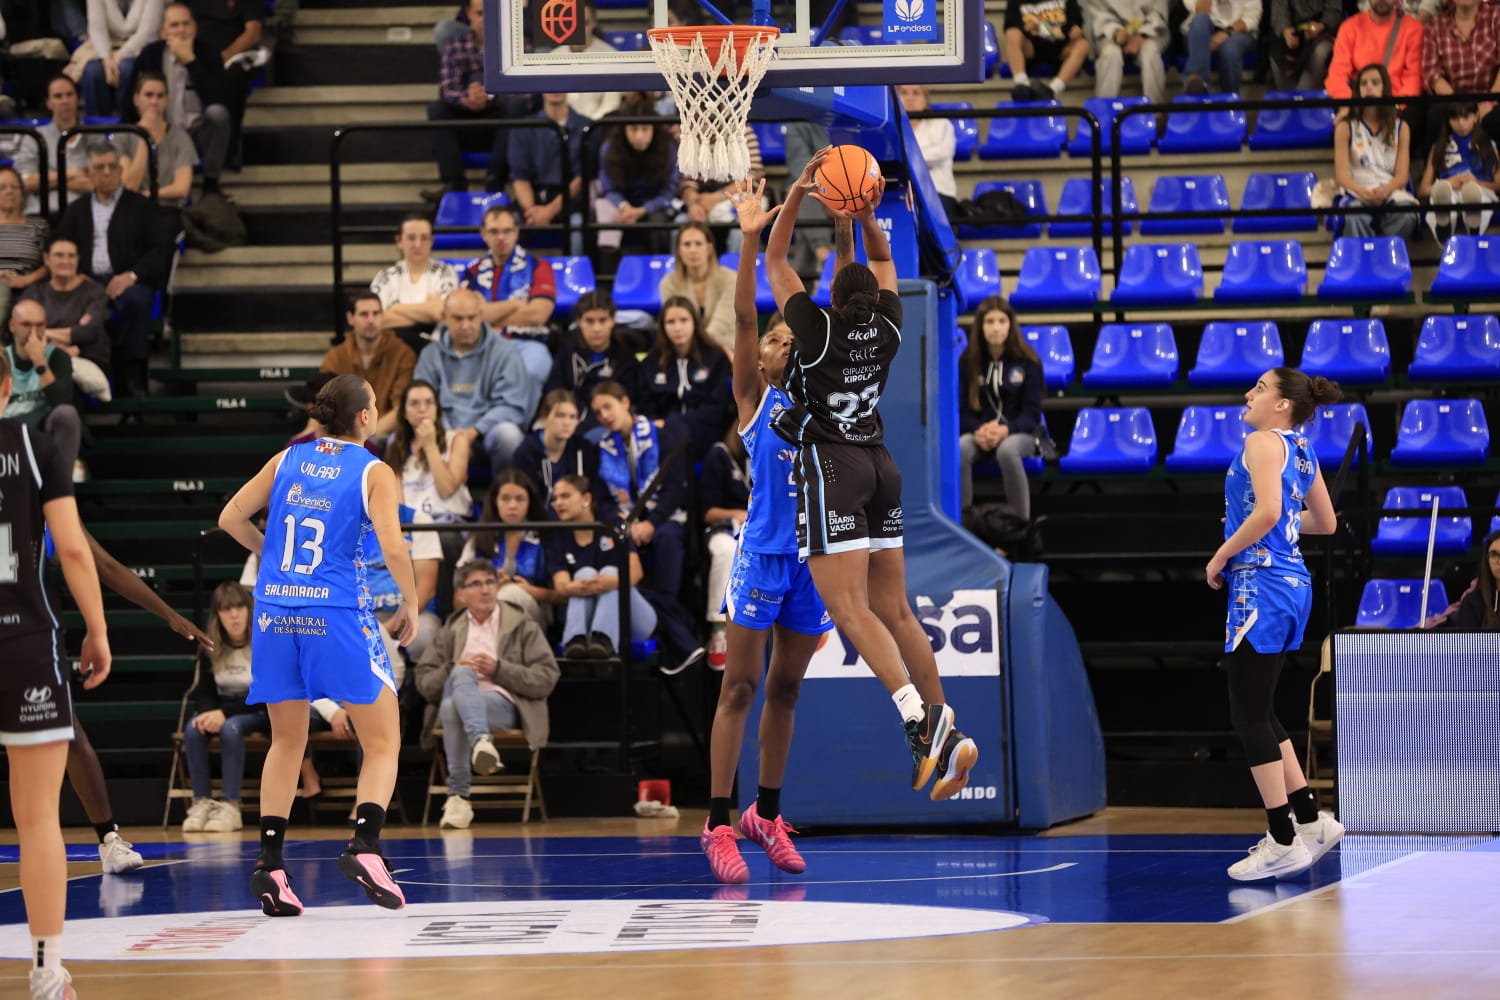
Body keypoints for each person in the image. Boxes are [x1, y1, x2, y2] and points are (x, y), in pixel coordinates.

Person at [761, 150, 979, 801]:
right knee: (895, 608)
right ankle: (943, 726)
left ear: (830, 297)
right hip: (882, 465)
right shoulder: (888, 325)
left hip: (835, 467)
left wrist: (799, 192)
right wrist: (863, 216)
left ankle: (919, 725)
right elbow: (882, 263)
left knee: (850, 610)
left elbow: (774, 263)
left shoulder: (816, 333)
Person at [218, 373, 420, 915]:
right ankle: (365, 846)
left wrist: (268, 555)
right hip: (335, 611)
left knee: (287, 741)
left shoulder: (289, 459)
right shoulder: (374, 470)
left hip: (276, 611)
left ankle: (271, 865)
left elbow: (229, 517)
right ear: (364, 418)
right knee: (382, 739)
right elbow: (393, 545)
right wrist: (412, 601)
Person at [697, 183, 839, 885]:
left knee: (786, 691)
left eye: (794, 337)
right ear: (762, 359)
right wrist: (753, 235)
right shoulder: (756, 400)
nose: (786, 341)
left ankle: (767, 813)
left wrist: (843, 219)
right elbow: (746, 320)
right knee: (740, 688)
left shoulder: (828, 400)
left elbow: (835, 312)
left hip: (813, 562)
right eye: (777, 339)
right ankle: (719, 822)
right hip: (762, 556)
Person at [0, 348, 111, 1000]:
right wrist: (97, 630)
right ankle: (45, 972)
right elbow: (71, 547)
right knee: (38, 814)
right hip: (23, 640)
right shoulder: (33, 444)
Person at [1205, 367, 1345, 881]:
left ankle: (1282, 838)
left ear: (1282, 404)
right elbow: (1323, 522)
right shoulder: (1302, 448)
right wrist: (1271, 521)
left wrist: (1221, 553)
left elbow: (1266, 513)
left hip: (1260, 585)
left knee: (1247, 715)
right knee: (1263, 710)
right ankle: (1310, 820)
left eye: (1260, 388)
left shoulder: (1261, 441)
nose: (1249, 394)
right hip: (1292, 586)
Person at [415, 559, 559, 829]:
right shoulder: (450, 629)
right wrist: (451, 668)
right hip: (456, 704)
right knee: (455, 690)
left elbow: (547, 677)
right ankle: (480, 740)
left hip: (504, 705)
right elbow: (424, 682)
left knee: (451, 707)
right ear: (461, 594)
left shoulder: (522, 624)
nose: (485, 590)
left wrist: (499, 669)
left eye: (490, 582)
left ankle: (459, 796)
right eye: (476, 584)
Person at [58, 141, 175, 398]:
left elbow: (159, 252)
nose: (107, 172)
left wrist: (131, 276)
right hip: (85, 281)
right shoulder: (76, 210)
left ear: (122, 171)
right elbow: (62, 245)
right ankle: (77, 383)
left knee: (136, 302)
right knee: (70, 305)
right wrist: (78, 277)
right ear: (89, 173)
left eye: (113, 166)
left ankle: (132, 377)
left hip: (129, 280)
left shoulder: (142, 207)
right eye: (100, 167)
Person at [412, 288, 537, 473]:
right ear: (444, 318)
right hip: (442, 433)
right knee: (400, 440)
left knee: (509, 436)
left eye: (471, 318)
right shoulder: (430, 355)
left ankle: (502, 496)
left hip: (486, 434)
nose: (465, 325)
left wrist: (474, 432)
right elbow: (421, 403)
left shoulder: (505, 353)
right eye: (458, 318)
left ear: (481, 316)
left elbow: (512, 405)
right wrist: (450, 436)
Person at [423, 0, 532, 202]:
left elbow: (527, 92)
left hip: (501, 126)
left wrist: (490, 96)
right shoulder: (456, 46)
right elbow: (446, 89)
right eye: (480, 14)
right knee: (437, 109)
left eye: (491, 14)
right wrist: (467, 98)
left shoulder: (518, 45)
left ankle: (495, 180)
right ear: (469, 15)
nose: (485, 20)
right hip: (467, 123)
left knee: (517, 105)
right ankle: (453, 184)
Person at [180, 581, 267, 834]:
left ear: (249, 610)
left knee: (231, 728)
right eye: (226, 609)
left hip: (259, 710)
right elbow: (203, 691)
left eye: (239, 607)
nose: (234, 615)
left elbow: (265, 693)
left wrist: (224, 714)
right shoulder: (209, 646)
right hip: (224, 707)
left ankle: (230, 805)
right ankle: (201, 802)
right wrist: (208, 713)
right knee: (193, 728)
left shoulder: (263, 642)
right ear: (217, 615)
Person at [547, 474, 658, 660]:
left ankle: (602, 640)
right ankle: (576, 642)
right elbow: (561, 584)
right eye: (555, 499)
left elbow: (636, 572)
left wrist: (608, 582)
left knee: (612, 572)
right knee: (584, 573)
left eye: (565, 496)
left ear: (586, 499)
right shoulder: (558, 536)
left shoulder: (612, 525)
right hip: (586, 622)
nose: (559, 503)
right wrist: (573, 587)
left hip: (635, 617)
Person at [131, 3, 232, 197]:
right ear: (163, 31)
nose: (181, 30)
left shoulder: (209, 54)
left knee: (218, 114)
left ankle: (211, 182)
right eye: (174, 25)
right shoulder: (150, 55)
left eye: (186, 24)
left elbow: (217, 99)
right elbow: (133, 96)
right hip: (159, 128)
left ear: (195, 27)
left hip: (197, 132)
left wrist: (190, 62)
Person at [957, 296, 1045, 516]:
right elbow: (961, 411)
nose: (996, 328)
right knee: (961, 447)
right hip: (981, 433)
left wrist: (1006, 430)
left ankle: (1019, 525)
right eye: (989, 321)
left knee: (1007, 450)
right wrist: (980, 431)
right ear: (980, 326)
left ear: (1010, 324)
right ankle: (964, 521)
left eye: (1002, 321)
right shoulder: (968, 362)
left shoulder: (1029, 361)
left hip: (1020, 433)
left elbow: (1032, 415)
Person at [458, 203, 557, 385]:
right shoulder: (472, 272)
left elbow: (538, 314)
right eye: (494, 232)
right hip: (481, 345)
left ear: (516, 232)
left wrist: (487, 312)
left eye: (507, 231)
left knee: (531, 370)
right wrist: (516, 304)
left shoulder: (539, 266)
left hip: (528, 343)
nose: (501, 237)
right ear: (484, 234)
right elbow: (466, 318)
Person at [458, 470, 561, 629]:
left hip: (534, 614)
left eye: (520, 499)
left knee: (510, 594)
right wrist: (488, 587)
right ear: (495, 501)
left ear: (529, 502)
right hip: (483, 608)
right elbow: (458, 599)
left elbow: (562, 597)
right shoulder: (478, 538)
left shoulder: (546, 536)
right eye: (505, 499)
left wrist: (529, 590)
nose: (512, 505)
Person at [635, 295, 732, 461]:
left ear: (694, 322)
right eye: (671, 322)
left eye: (684, 320)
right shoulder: (650, 363)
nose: (678, 328)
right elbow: (645, 406)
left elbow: (717, 408)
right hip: (660, 433)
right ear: (662, 326)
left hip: (704, 430)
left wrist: (675, 422)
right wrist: (657, 424)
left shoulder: (716, 359)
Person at [307, 292, 416, 439]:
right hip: (343, 435)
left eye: (376, 313)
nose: (371, 320)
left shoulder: (403, 354)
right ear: (350, 318)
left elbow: (400, 408)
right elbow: (324, 404)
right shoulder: (336, 357)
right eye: (364, 314)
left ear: (383, 317)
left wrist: (367, 435)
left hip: (386, 435)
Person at [1333, 63, 1420, 240]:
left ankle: (1383, 256)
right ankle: (1365, 260)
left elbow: (1402, 175)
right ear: (1358, 90)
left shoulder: (1401, 127)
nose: (1369, 87)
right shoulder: (1344, 127)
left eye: (1375, 82)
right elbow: (1342, 175)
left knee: (1408, 214)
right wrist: (1363, 192)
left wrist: (1385, 191)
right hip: (1356, 190)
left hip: (1390, 189)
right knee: (1354, 214)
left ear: (1384, 88)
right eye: (1363, 83)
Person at [543, 291, 643, 437]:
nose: (596, 329)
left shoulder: (625, 358)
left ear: (613, 321)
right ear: (579, 322)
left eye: (603, 320)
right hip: (570, 423)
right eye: (589, 321)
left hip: (608, 426)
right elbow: (554, 393)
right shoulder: (566, 354)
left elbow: (628, 402)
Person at [25, 237, 112, 404]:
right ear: (46, 259)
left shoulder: (94, 292)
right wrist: (71, 336)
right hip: (43, 357)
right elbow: (24, 330)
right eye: (59, 255)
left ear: (78, 259)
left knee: (64, 382)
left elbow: (89, 331)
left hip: (87, 358)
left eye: (71, 256)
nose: (66, 261)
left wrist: (43, 332)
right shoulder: (35, 293)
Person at [4, 301, 84, 481]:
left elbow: (62, 400)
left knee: (67, 414)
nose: (33, 331)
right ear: (12, 326)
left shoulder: (58, 357)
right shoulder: (3, 359)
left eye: (39, 325)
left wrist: (40, 363)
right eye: (26, 324)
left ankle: (61, 488)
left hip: (43, 427)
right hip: (8, 428)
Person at [593, 96, 679, 261]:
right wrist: (624, 206)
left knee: (657, 223)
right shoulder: (609, 148)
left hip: (654, 204)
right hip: (620, 204)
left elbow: (669, 191)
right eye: (633, 129)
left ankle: (659, 272)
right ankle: (608, 280)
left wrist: (643, 210)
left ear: (654, 129)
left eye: (645, 129)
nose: (639, 136)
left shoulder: (668, 149)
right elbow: (608, 188)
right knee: (604, 220)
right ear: (624, 129)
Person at [509, 91, 590, 255]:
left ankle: (575, 278)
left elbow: (580, 179)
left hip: (570, 202)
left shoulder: (586, 127)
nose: (555, 90)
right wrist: (532, 210)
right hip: (533, 201)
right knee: (505, 226)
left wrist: (549, 211)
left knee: (577, 226)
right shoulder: (523, 128)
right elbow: (520, 178)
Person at [370, 214, 460, 352]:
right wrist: (427, 318)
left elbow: (442, 312)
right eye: (411, 238)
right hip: (391, 352)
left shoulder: (445, 273)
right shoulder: (385, 277)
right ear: (399, 241)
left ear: (431, 241)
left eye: (424, 238)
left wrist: (396, 308)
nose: (418, 244)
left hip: (434, 351)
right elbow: (375, 320)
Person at [511, 387, 611, 508]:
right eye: (560, 416)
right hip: (542, 523)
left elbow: (596, 493)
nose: (567, 423)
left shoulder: (584, 449)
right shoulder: (526, 453)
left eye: (572, 417)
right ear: (544, 418)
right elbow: (530, 503)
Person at [15, 74, 93, 218]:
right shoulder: (35, 138)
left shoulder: (94, 135)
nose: (65, 101)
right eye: (58, 96)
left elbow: (99, 183)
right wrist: (71, 174)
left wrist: (49, 181)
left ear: (77, 99)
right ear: (48, 103)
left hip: (87, 215)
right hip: (43, 215)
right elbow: (26, 182)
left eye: (69, 95)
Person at [1418, 103, 1498, 242]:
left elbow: (1498, 185)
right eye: (1455, 118)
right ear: (1448, 121)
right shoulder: (1438, 147)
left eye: (1466, 117)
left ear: (1476, 116)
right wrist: (1449, 183)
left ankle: (1474, 224)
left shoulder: (1489, 145)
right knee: (1443, 192)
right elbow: (1423, 190)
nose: (1461, 123)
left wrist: (1476, 183)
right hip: (1450, 190)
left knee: (1473, 193)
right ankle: (1443, 224)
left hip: (1481, 189)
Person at [117, 71, 197, 207]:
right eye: (149, 95)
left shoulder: (180, 137)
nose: (154, 101)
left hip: (168, 210)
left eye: (160, 96)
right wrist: (145, 138)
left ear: (166, 101)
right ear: (136, 99)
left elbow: (182, 189)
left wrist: (148, 195)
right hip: (132, 211)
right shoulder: (122, 137)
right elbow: (129, 186)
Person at [658, 222, 737, 353]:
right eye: (687, 244)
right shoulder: (668, 283)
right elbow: (674, 322)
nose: (693, 250)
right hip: (685, 349)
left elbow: (721, 324)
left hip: (726, 346)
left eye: (698, 244)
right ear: (678, 250)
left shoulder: (731, 279)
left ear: (709, 248)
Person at [1324, 0, 1422, 101]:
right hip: (1358, 101)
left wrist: (1396, 108)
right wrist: (1348, 105)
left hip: (1396, 104)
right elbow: (1337, 75)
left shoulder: (1413, 29)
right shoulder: (1349, 27)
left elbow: (1413, 79)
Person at [79, 0, 163, 116]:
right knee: (93, 71)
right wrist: (107, 59)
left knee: (127, 69)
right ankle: (96, 128)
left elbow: (148, 32)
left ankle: (125, 125)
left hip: (141, 47)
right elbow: (97, 30)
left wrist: (120, 55)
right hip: (108, 47)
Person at [896, 85, 960, 225]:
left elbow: (941, 153)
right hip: (901, 193)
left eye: (916, 93)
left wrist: (903, 157)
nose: (910, 97)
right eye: (904, 93)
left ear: (926, 100)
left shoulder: (941, 124)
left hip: (938, 193)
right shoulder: (893, 127)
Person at [1002, 0, 1090, 102]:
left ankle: (1052, 90)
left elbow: (1076, 23)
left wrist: (1067, 30)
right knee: (1012, 33)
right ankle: (1022, 84)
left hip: (1061, 47)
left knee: (1083, 44)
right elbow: (1009, 25)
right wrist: (1025, 27)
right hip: (1031, 47)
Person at [1090, 0, 1169, 104]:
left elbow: (1158, 13)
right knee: (1110, 53)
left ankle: (1156, 112)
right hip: (1110, 32)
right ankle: (1103, 111)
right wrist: (1115, 32)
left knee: (1150, 52)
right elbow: (1100, 14)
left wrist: (1143, 35)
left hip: (1151, 30)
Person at [1179, 0, 1261, 95]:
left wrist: (1226, 33)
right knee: (1200, 21)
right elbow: (1200, 11)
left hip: (1239, 31)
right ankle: (1199, 84)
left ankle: (1230, 102)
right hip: (1203, 29)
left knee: (1230, 49)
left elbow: (1252, 18)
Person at [1266, 0, 1340, 92]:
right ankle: (1288, 98)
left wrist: (1322, 25)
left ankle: (1301, 99)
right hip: (1292, 28)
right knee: (1276, 50)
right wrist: (1286, 31)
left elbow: (1334, 11)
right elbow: (1279, 11)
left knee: (1321, 51)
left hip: (1323, 29)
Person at [1448, 529, 1500, 630]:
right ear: (1487, 559)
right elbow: (1468, 644)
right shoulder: (1472, 602)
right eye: (1494, 554)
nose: (1499, 561)